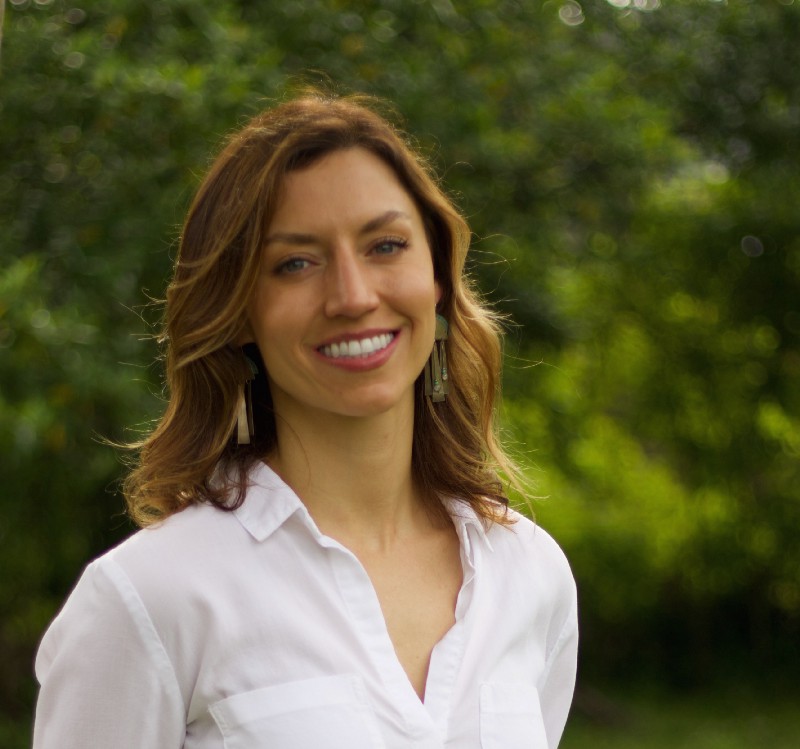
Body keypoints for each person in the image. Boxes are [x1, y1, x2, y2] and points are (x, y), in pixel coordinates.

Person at [33, 92, 578, 749]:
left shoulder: (529, 573)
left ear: (435, 276)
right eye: (296, 262)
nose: (352, 295)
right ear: (237, 313)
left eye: (385, 245)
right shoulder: (151, 596)